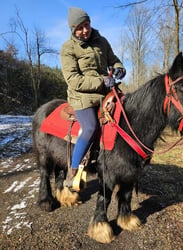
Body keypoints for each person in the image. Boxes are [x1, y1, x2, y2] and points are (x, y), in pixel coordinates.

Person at [60, 7, 126, 188]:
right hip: (82, 97)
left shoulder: (101, 41)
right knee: (90, 127)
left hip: (107, 92)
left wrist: (119, 68)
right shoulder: (67, 49)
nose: (85, 30)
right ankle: (72, 172)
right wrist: (101, 82)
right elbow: (73, 80)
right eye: (80, 28)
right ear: (73, 30)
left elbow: (113, 59)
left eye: (86, 25)